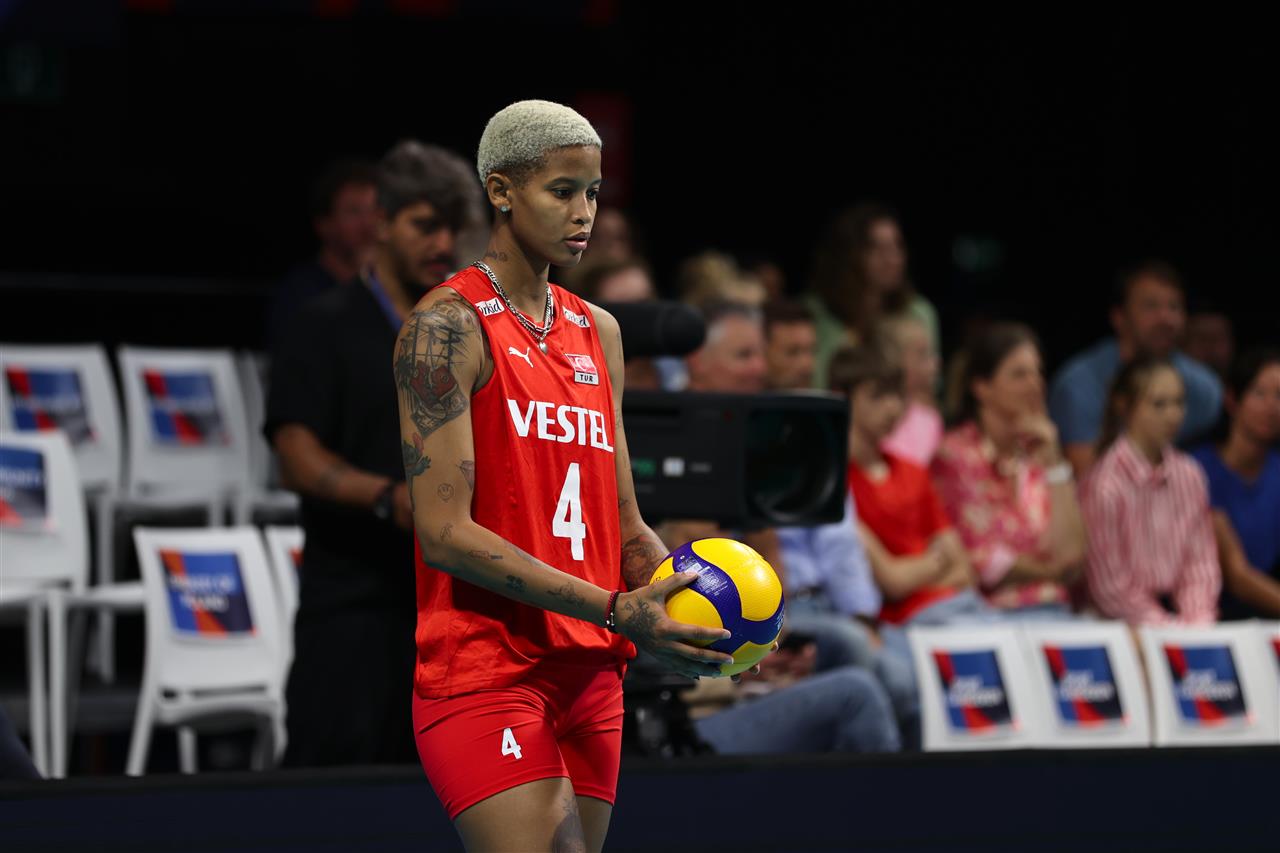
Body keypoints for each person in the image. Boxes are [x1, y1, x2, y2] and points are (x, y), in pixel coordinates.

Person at [398, 100, 753, 853]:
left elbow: (623, 522)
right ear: (501, 191)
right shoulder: (444, 327)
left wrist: (695, 606)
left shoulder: (601, 331)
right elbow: (444, 534)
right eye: (562, 191)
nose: (583, 212)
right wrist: (618, 609)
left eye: (592, 192)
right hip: (487, 669)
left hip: (592, 672)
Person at [265, 140, 480, 767]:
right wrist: (391, 499)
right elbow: (295, 457)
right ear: (381, 222)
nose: (443, 243)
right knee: (333, 792)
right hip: (351, 604)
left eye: (452, 228)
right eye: (425, 225)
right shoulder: (321, 323)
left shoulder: (466, 332)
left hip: (452, 608)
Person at [832, 346, 994, 631]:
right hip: (906, 623)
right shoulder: (835, 482)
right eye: (877, 396)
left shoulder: (913, 471)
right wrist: (937, 561)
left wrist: (914, 575)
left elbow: (965, 570)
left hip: (962, 606)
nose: (892, 408)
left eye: (897, 395)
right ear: (842, 399)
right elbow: (892, 582)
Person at [930, 323, 1086, 616]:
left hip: (1055, 609)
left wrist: (1055, 465)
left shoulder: (1040, 456)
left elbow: (1073, 557)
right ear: (982, 387)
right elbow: (982, 560)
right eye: (1019, 374)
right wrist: (1052, 573)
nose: (1035, 384)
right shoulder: (955, 455)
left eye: (1037, 372)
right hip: (988, 614)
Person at [1080, 356, 1221, 625]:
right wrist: (1166, 629)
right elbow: (1109, 586)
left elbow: (1200, 564)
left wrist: (1197, 623)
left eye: (1179, 403)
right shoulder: (1105, 484)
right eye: (1159, 404)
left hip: (1176, 618)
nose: (1173, 415)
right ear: (1124, 406)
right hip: (1119, 622)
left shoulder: (1189, 474)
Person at [1049, 261, 1222, 476]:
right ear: (1119, 317)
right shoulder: (1079, 384)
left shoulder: (1205, 388)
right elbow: (1087, 476)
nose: (1165, 318)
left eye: (1174, 307)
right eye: (1151, 306)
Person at [803, 203, 940, 389]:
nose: (893, 259)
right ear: (850, 254)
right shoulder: (815, 313)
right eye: (877, 249)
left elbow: (930, 385)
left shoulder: (918, 312)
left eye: (897, 246)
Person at [1191, 349, 1280, 619]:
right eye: (1259, 393)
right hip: (1205, 618)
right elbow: (1237, 575)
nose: (1271, 407)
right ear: (1232, 399)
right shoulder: (1197, 470)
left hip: (1266, 620)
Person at [268, 159, 378, 344]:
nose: (368, 224)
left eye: (374, 211)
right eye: (354, 212)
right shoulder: (299, 295)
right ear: (324, 224)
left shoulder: (391, 289)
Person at [879, 313, 943, 466]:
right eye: (922, 354)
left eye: (931, 353)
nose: (935, 362)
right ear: (893, 359)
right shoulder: (874, 417)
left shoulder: (930, 419)